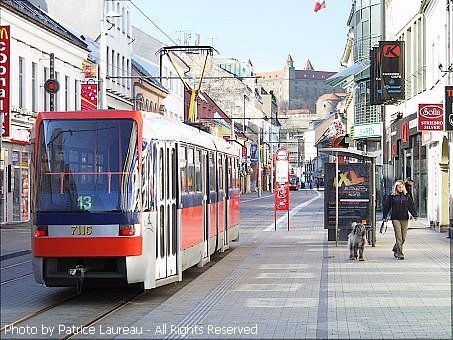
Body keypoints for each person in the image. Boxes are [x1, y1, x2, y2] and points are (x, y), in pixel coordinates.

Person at [382, 179, 418, 260]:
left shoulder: (407, 196)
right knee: (399, 237)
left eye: (402, 187)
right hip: (395, 218)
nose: (401, 189)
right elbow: (386, 207)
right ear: (396, 188)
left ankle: (396, 248)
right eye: (399, 187)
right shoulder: (392, 196)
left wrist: (414, 214)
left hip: (404, 218)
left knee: (403, 237)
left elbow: (411, 206)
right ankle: (400, 253)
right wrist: (385, 217)